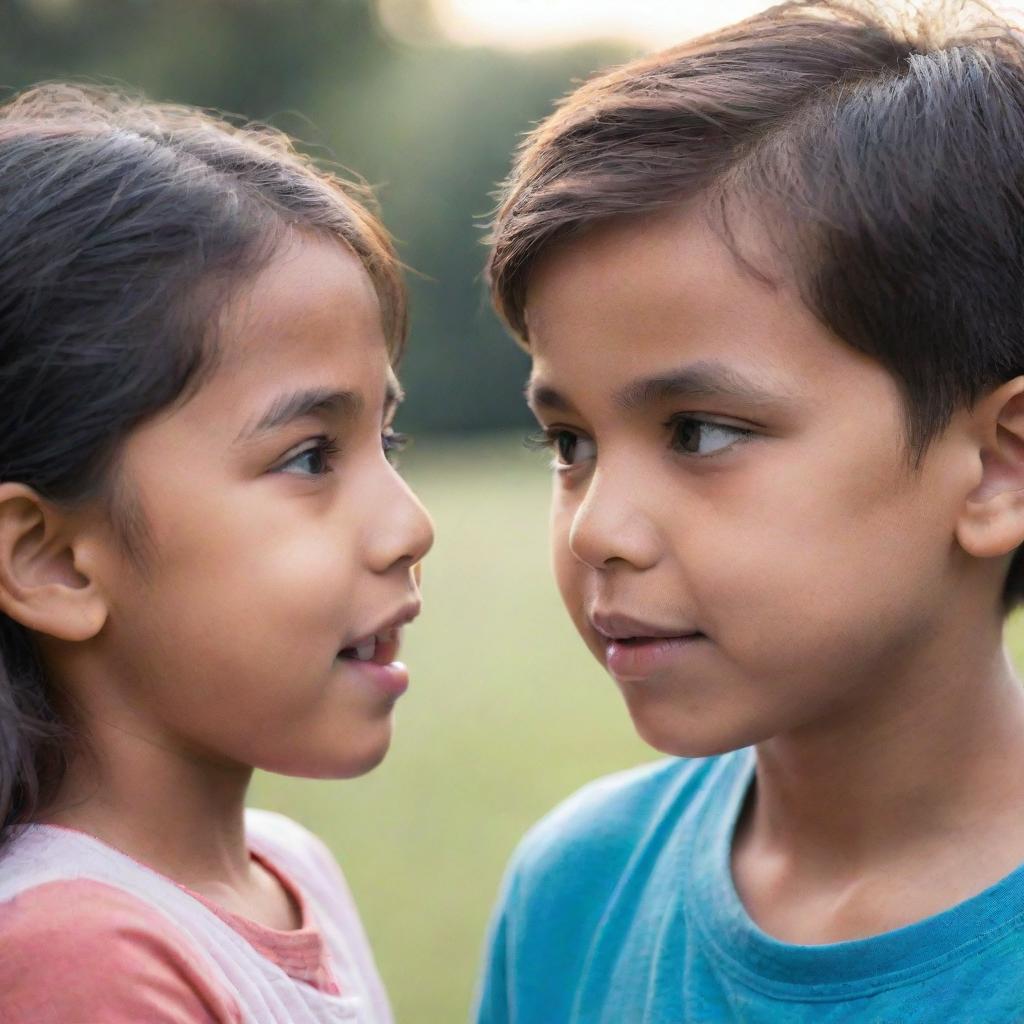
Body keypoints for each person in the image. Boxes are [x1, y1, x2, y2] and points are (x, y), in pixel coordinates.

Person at [474, 2, 1024, 1020]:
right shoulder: (574, 891)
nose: (597, 527)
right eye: (570, 444)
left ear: (998, 468)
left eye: (699, 432)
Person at [0, 84, 433, 1023]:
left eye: (385, 445)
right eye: (310, 456)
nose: (410, 528)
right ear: (52, 562)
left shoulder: (289, 868)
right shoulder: (81, 958)